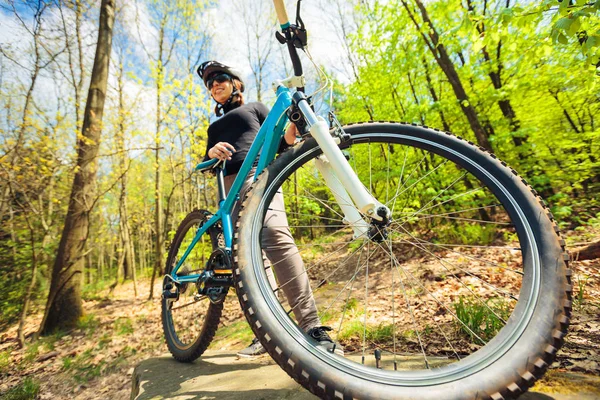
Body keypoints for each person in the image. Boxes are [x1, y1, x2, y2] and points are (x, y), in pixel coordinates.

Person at [197, 61, 343, 358]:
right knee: (248, 260)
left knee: (275, 235)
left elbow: (284, 140)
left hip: (257, 174)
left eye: (220, 79)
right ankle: (266, 331)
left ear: (236, 83)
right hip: (227, 186)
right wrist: (211, 152)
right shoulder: (214, 126)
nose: (215, 85)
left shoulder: (255, 108)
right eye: (210, 84)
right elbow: (206, 163)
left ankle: (310, 326)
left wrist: (295, 125)